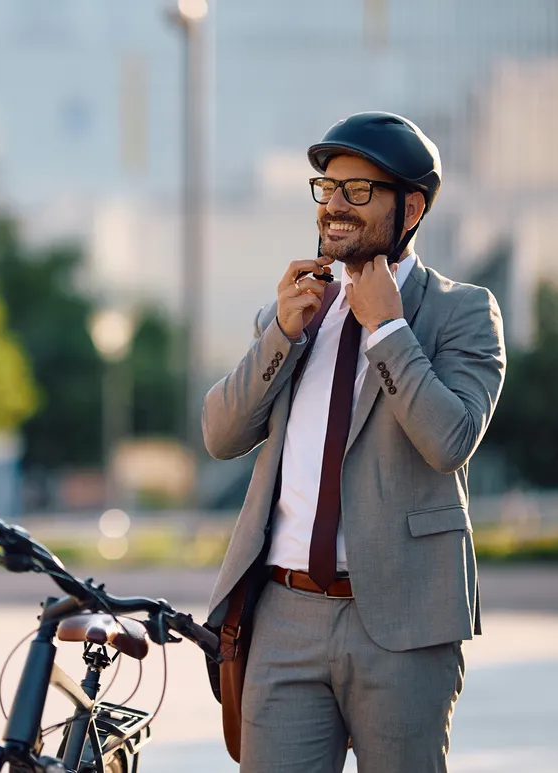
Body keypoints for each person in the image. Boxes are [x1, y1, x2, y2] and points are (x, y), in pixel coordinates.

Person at [202, 112, 507, 772]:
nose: (334, 205)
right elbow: (221, 435)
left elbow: (450, 439)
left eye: (358, 190)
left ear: (412, 205)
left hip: (403, 623)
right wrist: (280, 334)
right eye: (327, 188)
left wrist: (389, 330)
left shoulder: (462, 312)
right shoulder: (294, 308)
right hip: (282, 617)